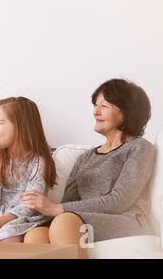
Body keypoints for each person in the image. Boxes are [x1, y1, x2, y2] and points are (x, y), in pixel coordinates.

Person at [22, 79, 156, 258]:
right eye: (95, 105)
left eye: (104, 106)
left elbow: (119, 201)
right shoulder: (86, 157)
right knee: (35, 235)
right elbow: (69, 200)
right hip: (83, 220)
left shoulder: (139, 148)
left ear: (126, 112)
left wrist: (57, 209)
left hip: (127, 220)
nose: (95, 111)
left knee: (64, 221)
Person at [0, 97, 57, 242]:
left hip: (19, 219)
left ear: (20, 126)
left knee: (10, 238)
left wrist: (0, 221)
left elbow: (30, 206)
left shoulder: (39, 162)